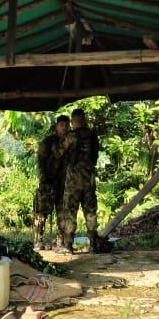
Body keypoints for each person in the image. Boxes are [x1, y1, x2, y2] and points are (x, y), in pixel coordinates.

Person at [57, 107, 99, 253]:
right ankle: (93, 244)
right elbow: (95, 156)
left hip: (73, 181)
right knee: (90, 211)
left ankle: (68, 245)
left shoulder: (71, 136)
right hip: (89, 179)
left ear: (73, 121)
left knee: (70, 211)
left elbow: (58, 153)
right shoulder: (92, 135)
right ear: (84, 119)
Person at [33, 114, 70, 250]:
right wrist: (43, 180)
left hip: (64, 182)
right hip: (48, 182)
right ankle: (38, 241)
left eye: (67, 125)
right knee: (41, 213)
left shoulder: (71, 140)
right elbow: (40, 162)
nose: (64, 128)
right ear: (56, 126)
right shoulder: (48, 142)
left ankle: (61, 242)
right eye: (62, 125)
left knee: (63, 213)